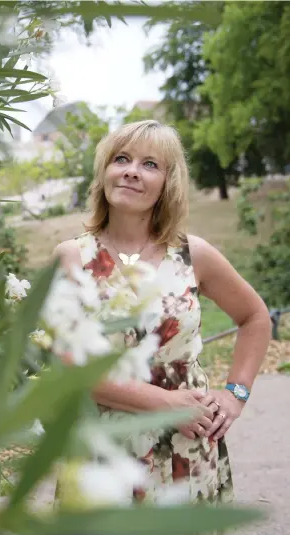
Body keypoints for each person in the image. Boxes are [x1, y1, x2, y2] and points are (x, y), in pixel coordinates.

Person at [53, 120, 272, 504]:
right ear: (105, 170)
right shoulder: (71, 258)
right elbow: (68, 365)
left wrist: (235, 394)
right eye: (122, 159)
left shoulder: (193, 254)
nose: (132, 171)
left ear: (167, 183)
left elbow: (255, 317)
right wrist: (166, 404)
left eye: (150, 164)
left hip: (187, 450)